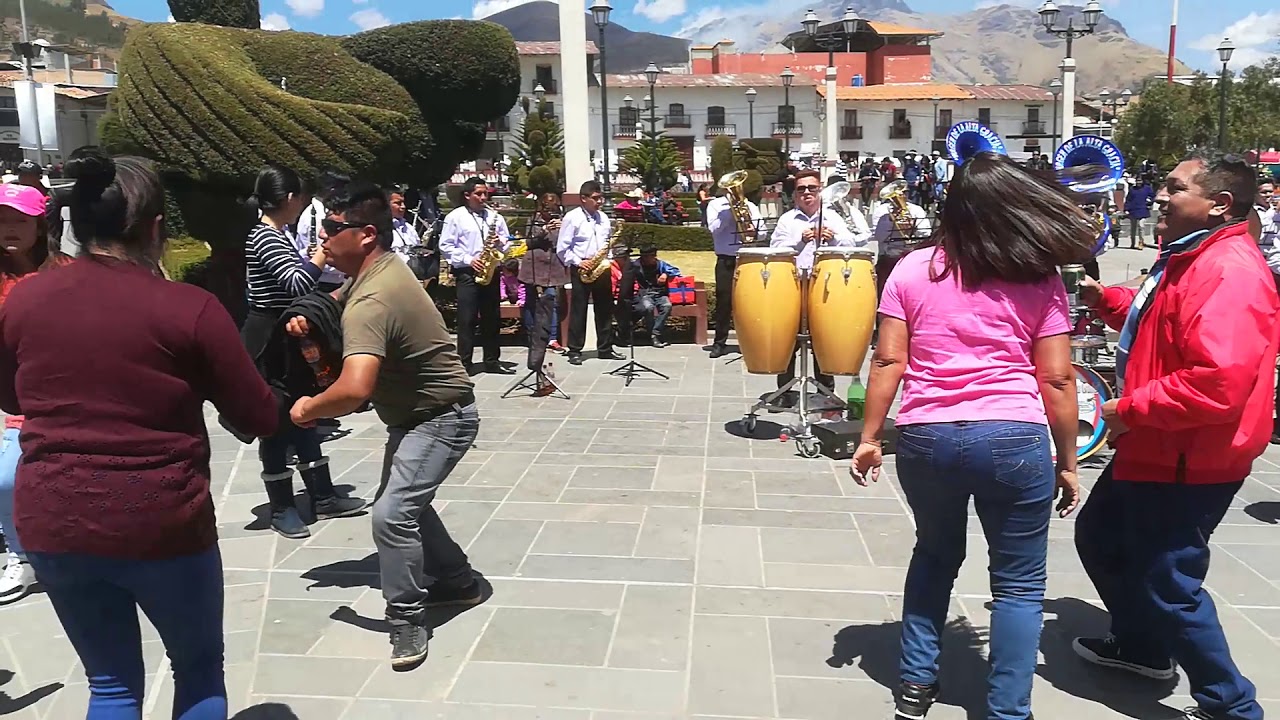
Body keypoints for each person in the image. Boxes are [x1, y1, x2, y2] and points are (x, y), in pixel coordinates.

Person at [0, 147, 279, 719]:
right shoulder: (189, 308)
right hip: (161, 520)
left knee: (109, 685)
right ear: (156, 229)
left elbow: (11, 397)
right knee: (198, 672)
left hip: (54, 518)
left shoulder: (24, 298)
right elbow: (258, 418)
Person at [851, 151, 1092, 720]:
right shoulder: (1040, 277)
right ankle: (1009, 709)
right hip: (1013, 435)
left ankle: (915, 686)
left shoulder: (913, 268)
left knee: (934, 555)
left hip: (925, 436)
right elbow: (1056, 377)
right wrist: (1068, 459)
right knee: (1018, 583)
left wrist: (868, 436)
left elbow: (888, 362)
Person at [1072, 151, 1275, 720]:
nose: (1159, 196)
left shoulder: (1228, 271)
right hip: (1157, 442)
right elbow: (1162, 326)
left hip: (1187, 453)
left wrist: (1129, 408)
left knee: (1170, 582)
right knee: (1102, 536)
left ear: (1219, 205)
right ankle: (1142, 648)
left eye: (1174, 187)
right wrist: (1107, 300)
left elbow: (1218, 382)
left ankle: (1230, 703)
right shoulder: (1190, 258)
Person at [287, 180, 483, 669]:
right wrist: (312, 314)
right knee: (404, 502)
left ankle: (406, 619)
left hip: (441, 419)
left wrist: (307, 410)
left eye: (333, 228)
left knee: (391, 514)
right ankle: (458, 582)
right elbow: (340, 295)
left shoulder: (373, 301)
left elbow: (355, 389)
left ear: (366, 235)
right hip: (420, 415)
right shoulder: (380, 270)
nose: (323, 237)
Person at [243, 165, 365, 539]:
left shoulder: (277, 233)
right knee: (277, 422)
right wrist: (320, 257)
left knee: (307, 413)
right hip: (270, 342)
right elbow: (296, 284)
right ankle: (282, 506)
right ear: (290, 199)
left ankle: (323, 496)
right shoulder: (265, 236)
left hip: (288, 336)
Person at [0, 183, 67, 604]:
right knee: (7, 479)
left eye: (19, 220)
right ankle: (19, 555)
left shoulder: (63, 272)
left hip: (56, 394)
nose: (8, 228)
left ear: (39, 226)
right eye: (2, 220)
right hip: (10, 394)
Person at [770, 170, 862, 396]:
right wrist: (799, 240)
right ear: (795, 195)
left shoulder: (832, 217)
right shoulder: (787, 219)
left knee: (823, 335)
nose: (807, 193)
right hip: (794, 285)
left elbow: (853, 242)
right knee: (789, 337)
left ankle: (826, 390)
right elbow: (775, 250)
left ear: (820, 191)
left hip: (825, 285)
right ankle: (784, 390)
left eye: (812, 188)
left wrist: (835, 238)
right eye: (801, 189)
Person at [438, 177, 513, 374]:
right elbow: (445, 245)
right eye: (478, 194)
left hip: (490, 271)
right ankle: (464, 363)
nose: (483, 197)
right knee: (467, 318)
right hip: (468, 273)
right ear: (467, 195)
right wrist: (468, 259)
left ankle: (492, 361)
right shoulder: (455, 217)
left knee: (492, 317)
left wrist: (500, 243)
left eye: (485, 193)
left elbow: (507, 244)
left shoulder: (494, 216)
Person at [556, 180, 625, 366]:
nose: (599, 201)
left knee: (605, 308)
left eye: (600, 197)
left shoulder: (603, 218)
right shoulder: (572, 218)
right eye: (595, 198)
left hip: (600, 266)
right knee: (579, 309)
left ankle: (605, 348)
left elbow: (606, 243)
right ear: (583, 199)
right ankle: (575, 350)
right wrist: (579, 262)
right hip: (581, 268)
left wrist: (607, 260)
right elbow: (562, 248)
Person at [705, 183, 764, 358]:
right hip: (726, 260)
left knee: (750, 302)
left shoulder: (750, 206)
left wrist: (754, 230)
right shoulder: (715, 205)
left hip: (747, 259)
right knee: (724, 302)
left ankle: (752, 341)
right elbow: (713, 229)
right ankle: (719, 343)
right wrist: (728, 214)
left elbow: (762, 234)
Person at [521, 192, 569, 373]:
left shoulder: (562, 221)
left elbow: (563, 242)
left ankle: (551, 337)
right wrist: (544, 230)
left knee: (551, 301)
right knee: (532, 303)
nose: (551, 212)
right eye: (548, 208)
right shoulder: (534, 220)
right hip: (534, 266)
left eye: (554, 208)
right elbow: (529, 242)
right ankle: (532, 336)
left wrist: (562, 228)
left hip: (552, 267)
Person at [869, 184, 932, 306]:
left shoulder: (916, 210)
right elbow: (879, 237)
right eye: (898, 193)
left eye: (904, 193)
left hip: (912, 257)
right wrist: (892, 221)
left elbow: (926, 232)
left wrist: (912, 225)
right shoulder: (882, 212)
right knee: (885, 297)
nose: (901, 196)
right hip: (889, 258)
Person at [293, 170, 349, 292]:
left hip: (331, 280)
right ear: (332, 190)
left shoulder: (322, 212)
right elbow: (320, 256)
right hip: (322, 284)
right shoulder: (315, 216)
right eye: (343, 189)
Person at [629, 244, 681, 347]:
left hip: (660, 293)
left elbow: (676, 271)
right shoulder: (636, 265)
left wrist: (666, 274)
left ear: (654, 256)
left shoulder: (661, 264)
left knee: (667, 306)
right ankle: (654, 335)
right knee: (648, 308)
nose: (647, 259)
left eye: (649, 256)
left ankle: (655, 333)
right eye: (644, 256)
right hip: (644, 293)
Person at [1123, 175, 1155, 249]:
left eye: (1140, 181)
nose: (1138, 182)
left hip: (1143, 209)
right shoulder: (1132, 189)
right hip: (1133, 210)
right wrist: (1126, 209)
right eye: (1137, 181)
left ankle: (1141, 242)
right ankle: (1132, 243)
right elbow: (1128, 200)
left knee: (1141, 226)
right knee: (1133, 228)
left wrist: (1150, 202)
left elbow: (1152, 196)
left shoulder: (1147, 188)